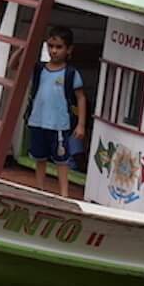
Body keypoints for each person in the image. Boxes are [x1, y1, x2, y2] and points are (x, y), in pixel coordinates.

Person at [24, 27, 87, 195]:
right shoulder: (39, 69)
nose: (54, 51)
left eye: (59, 47)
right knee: (40, 158)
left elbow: (80, 98)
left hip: (59, 123)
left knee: (62, 160)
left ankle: (64, 193)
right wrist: (24, 48)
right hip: (37, 121)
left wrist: (80, 124)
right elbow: (14, 65)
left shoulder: (71, 74)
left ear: (69, 50)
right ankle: (39, 188)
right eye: (50, 46)